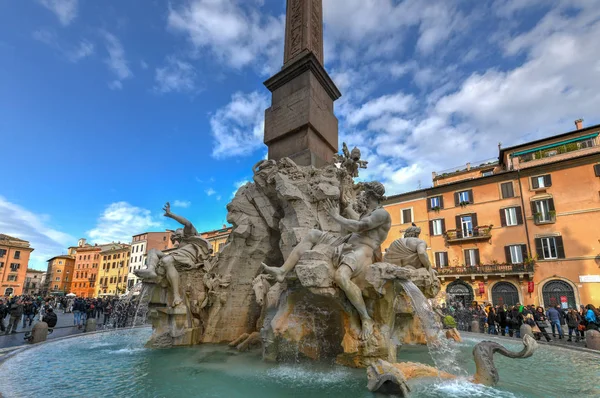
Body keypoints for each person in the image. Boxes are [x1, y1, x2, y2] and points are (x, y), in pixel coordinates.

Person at [263, 181, 391, 340]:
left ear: (371, 194)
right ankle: (282, 271)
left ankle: (365, 318)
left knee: (341, 277)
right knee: (313, 234)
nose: (362, 195)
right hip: (346, 242)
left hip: (362, 250)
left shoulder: (382, 214)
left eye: (365, 192)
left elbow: (359, 226)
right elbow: (356, 219)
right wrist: (345, 206)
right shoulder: (370, 212)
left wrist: (336, 217)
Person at [135, 202, 212, 307]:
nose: (177, 232)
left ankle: (176, 296)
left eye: (179, 231)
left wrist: (170, 214)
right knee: (153, 250)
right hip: (176, 257)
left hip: (188, 258)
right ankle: (151, 270)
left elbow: (188, 223)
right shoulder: (179, 246)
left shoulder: (190, 236)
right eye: (176, 232)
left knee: (167, 260)